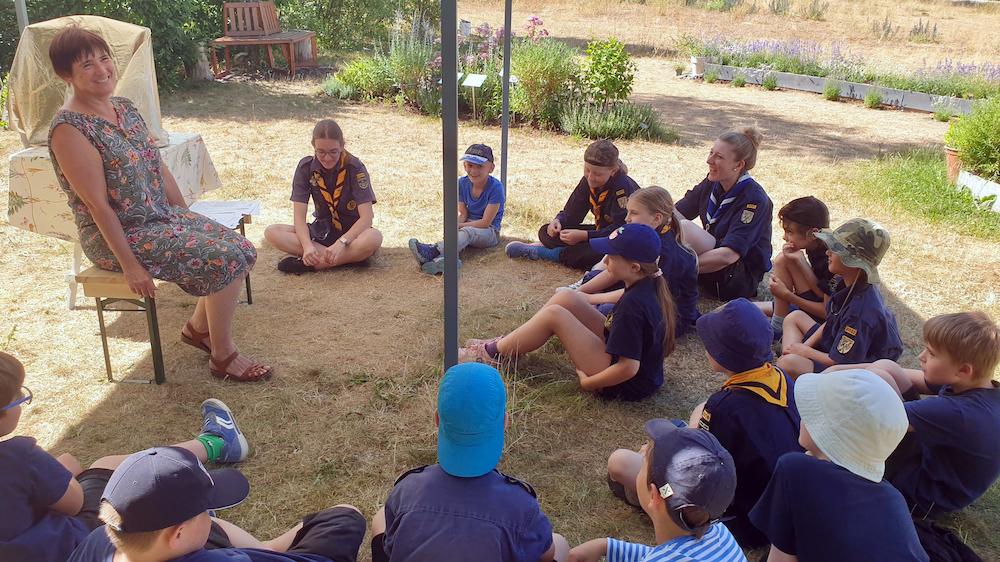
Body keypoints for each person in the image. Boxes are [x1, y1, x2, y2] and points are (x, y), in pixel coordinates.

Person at [46, 26, 270, 382]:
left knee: (242, 249)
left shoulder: (124, 108)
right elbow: (98, 205)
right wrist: (131, 267)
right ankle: (222, 355)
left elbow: (158, 166)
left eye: (104, 58)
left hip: (159, 217)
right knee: (224, 257)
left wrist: (186, 217)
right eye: (87, 65)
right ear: (66, 76)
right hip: (118, 236)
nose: (102, 70)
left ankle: (197, 330)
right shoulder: (69, 129)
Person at [0, 351, 247, 562]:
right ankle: (217, 442)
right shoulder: (20, 456)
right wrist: (63, 466)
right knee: (103, 467)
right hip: (69, 549)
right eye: (19, 398)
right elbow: (74, 502)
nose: (22, 402)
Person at [606, 299, 801, 548]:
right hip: (776, 509)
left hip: (742, 522)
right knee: (700, 410)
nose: (705, 347)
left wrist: (651, 459)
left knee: (620, 462)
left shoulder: (724, 407)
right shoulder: (781, 377)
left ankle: (649, 499)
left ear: (723, 354)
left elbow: (696, 476)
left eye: (710, 342)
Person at [370, 363, 568, 562]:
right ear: (505, 421)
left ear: (437, 420)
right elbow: (546, 555)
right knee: (559, 543)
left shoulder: (406, 490)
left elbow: (391, 542)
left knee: (380, 518)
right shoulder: (522, 506)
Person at [461, 223, 676, 401]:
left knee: (555, 315)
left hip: (623, 384)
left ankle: (493, 353)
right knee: (566, 298)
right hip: (624, 363)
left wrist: (589, 383)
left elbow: (628, 368)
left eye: (612, 256)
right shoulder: (648, 283)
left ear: (634, 267)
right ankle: (509, 348)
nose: (606, 260)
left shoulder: (634, 306)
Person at [830, 311, 1000, 520]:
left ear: (963, 370)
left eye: (932, 354)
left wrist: (832, 387)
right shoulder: (978, 385)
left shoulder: (958, 413)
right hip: (934, 462)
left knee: (874, 387)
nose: (921, 356)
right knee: (885, 368)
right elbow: (895, 372)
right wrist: (837, 370)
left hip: (920, 492)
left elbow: (874, 417)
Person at [749, 369, 929, 562]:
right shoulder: (892, 497)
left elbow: (780, 560)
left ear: (826, 429)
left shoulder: (795, 470)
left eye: (812, 411)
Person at [68, 446, 366, 562]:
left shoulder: (97, 543)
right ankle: (267, 549)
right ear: (178, 533)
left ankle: (266, 549)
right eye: (205, 510)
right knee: (345, 518)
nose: (210, 514)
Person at [568, 420, 746, 562]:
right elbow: (671, 555)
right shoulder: (720, 535)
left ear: (654, 495)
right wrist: (606, 546)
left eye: (642, 464)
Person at [777, 218, 903, 379]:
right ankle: (786, 367)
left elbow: (841, 363)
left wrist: (805, 352)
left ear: (853, 262)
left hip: (853, 372)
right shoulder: (846, 282)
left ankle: (786, 375)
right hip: (835, 348)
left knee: (789, 364)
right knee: (794, 318)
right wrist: (801, 347)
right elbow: (831, 320)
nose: (828, 252)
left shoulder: (860, 313)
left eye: (836, 250)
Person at [567, 186, 699, 337]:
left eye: (634, 213)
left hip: (667, 314)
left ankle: (594, 315)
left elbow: (644, 292)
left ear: (656, 218)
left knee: (611, 311)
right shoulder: (641, 235)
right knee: (593, 278)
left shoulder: (667, 254)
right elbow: (613, 272)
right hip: (640, 294)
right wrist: (579, 293)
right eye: (628, 211)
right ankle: (591, 308)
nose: (627, 218)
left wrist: (590, 298)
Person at [264, 119, 383, 274]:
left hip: (352, 235)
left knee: (374, 237)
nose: (327, 158)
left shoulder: (355, 168)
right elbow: (299, 217)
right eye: (321, 152)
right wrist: (307, 246)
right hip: (323, 231)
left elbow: (367, 218)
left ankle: (316, 264)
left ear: (342, 146)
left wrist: (341, 243)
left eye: (333, 152)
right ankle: (351, 258)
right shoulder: (306, 168)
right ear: (313, 146)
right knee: (272, 232)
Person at [506, 140, 640, 271]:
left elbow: (621, 230)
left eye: (597, 174)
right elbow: (573, 211)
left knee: (594, 253)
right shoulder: (588, 182)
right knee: (546, 232)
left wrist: (584, 236)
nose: (590, 177)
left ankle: (552, 254)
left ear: (613, 171)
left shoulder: (622, 190)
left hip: (622, 240)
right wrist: (559, 221)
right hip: (601, 232)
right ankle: (556, 247)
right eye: (587, 170)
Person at [674, 127, 772, 301]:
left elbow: (729, 255)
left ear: (738, 165)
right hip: (712, 262)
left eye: (719, 157)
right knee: (665, 217)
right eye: (711, 153)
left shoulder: (755, 199)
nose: (709, 160)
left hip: (737, 276)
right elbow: (676, 212)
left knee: (685, 228)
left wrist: (679, 266)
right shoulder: (713, 182)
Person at [408, 143, 505, 275]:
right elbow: (463, 212)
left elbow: (485, 222)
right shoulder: (461, 183)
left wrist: (461, 225)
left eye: (480, 167)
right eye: (470, 165)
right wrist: (454, 225)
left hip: (489, 232)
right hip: (469, 225)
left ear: (491, 168)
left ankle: (433, 251)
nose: (474, 171)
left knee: (467, 232)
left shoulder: (496, 188)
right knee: (458, 232)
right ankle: (440, 261)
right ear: (465, 165)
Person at [754, 196, 833, 336]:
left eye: (790, 231)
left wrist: (786, 294)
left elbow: (827, 311)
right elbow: (822, 290)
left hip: (831, 320)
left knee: (782, 260)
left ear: (813, 234)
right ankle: (780, 319)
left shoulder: (831, 259)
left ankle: (778, 326)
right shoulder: (817, 244)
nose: (785, 237)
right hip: (822, 303)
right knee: (784, 259)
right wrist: (801, 262)